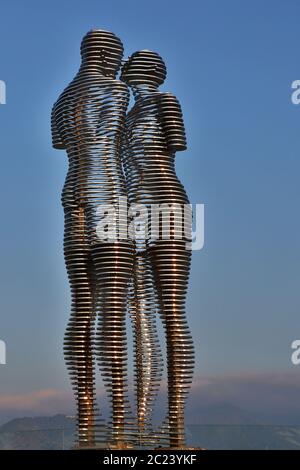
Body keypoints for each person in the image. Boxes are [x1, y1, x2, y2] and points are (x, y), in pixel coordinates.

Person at [51, 30, 133, 448]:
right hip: (108, 200)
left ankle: (87, 425)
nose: (119, 65)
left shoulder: (61, 99)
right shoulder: (116, 90)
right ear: (105, 53)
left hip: (71, 200)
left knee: (82, 308)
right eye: (117, 55)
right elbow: (117, 145)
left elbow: (60, 144)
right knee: (113, 311)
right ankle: (118, 431)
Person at [121, 50, 195, 448]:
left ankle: (175, 426)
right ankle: (142, 423)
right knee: (138, 313)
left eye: (137, 70)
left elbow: (176, 146)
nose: (130, 77)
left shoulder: (167, 102)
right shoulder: (125, 115)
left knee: (170, 312)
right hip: (133, 211)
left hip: (167, 204)